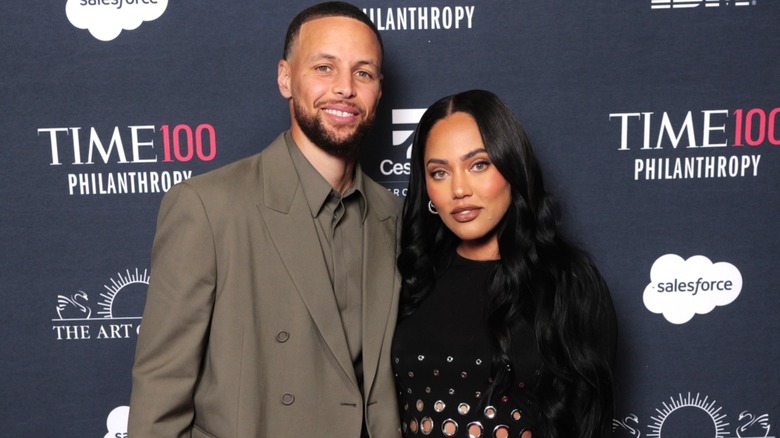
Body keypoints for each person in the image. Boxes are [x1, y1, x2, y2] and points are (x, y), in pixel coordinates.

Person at [128, 2, 402, 437]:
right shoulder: (208, 208)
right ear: (285, 78)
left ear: (379, 90)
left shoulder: (394, 216)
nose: (345, 88)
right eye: (324, 68)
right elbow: (158, 403)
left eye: (363, 73)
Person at [392, 90, 617, 438]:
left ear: (511, 167)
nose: (459, 189)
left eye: (478, 165)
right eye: (439, 172)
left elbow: (588, 419)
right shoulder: (412, 278)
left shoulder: (568, 283)